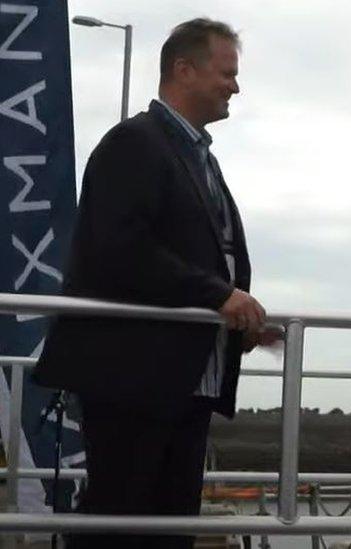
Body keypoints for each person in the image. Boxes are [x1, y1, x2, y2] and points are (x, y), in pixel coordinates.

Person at [33, 18, 275, 549]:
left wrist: (238, 318)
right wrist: (218, 295)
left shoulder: (199, 156)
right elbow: (119, 248)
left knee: (169, 526)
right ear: (183, 70)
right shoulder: (134, 143)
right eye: (227, 72)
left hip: (186, 378)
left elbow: (204, 253)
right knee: (122, 521)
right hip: (134, 376)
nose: (235, 85)